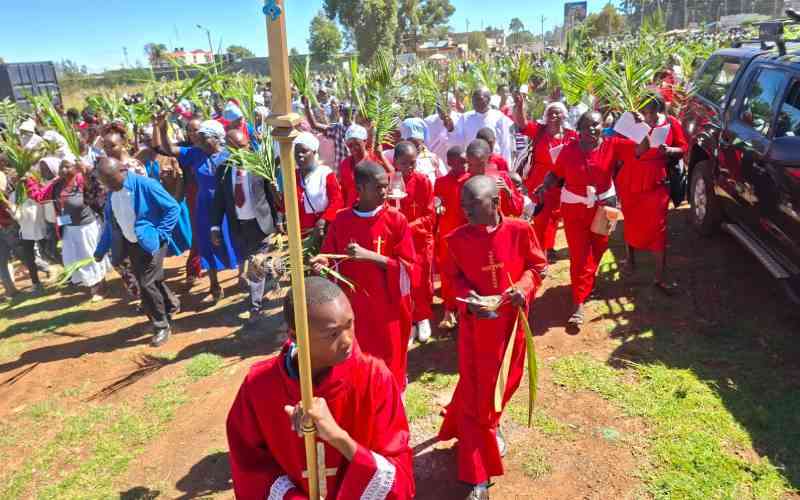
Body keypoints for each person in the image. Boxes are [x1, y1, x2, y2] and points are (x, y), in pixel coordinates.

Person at [226, 276, 415, 499]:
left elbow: (400, 478)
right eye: (333, 334)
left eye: (350, 324)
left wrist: (338, 437)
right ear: (296, 337)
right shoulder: (259, 386)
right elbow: (249, 468)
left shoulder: (375, 377)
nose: (347, 340)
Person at [437, 175, 546, 499]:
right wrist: (468, 299)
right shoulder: (456, 240)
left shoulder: (520, 230)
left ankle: (491, 424)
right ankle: (478, 475)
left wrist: (522, 289)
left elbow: (538, 267)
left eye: (474, 204)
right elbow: (452, 280)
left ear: (496, 203)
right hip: (476, 331)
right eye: (464, 206)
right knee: (479, 402)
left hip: (512, 329)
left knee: (504, 386)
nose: (467, 211)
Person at [312, 161, 416, 391]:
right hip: (353, 306)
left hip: (386, 308)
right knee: (358, 361)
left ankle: (393, 403)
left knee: (388, 360)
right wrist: (323, 264)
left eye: (386, 186)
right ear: (359, 188)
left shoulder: (396, 220)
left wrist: (371, 256)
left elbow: (408, 267)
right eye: (378, 187)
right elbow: (330, 255)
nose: (385, 192)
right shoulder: (341, 220)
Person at [538, 111, 634, 326]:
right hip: (574, 207)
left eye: (596, 124)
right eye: (587, 125)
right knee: (580, 254)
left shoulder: (613, 145)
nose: (592, 129)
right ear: (578, 129)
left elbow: (642, 148)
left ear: (603, 126)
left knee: (599, 247)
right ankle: (578, 302)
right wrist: (545, 185)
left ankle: (586, 282)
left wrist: (637, 125)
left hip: (606, 205)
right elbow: (555, 173)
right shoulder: (569, 150)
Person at [94, 157, 181, 347]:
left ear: (122, 171)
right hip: (132, 243)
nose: (106, 185)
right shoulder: (112, 194)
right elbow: (111, 224)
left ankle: (161, 325)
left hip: (152, 241)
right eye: (103, 181)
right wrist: (101, 249)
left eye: (109, 180)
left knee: (146, 283)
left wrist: (161, 233)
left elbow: (173, 208)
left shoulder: (145, 185)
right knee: (152, 279)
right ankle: (171, 304)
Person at [154, 116, 239, 304]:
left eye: (203, 137)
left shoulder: (230, 155)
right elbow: (168, 149)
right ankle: (214, 285)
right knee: (207, 244)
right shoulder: (195, 153)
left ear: (216, 138)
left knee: (234, 238)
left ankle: (243, 275)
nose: (198, 140)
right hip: (204, 207)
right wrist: (162, 129)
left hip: (227, 206)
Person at [616, 96, 687, 294]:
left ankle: (660, 276)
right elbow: (617, 147)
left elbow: (683, 147)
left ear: (660, 108)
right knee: (630, 220)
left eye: (654, 112)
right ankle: (630, 260)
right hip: (630, 179)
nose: (651, 117)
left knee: (659, 228)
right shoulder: (630, 121)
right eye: (646, 113)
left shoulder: (671, 122)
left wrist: (670, 150)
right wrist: (637, 136)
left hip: (657, 180)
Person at [210, 129, 278, 324]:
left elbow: (271, 195)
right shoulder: (223, 169)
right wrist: (215, 227)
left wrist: (279, 220)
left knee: (255, 263)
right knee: (251, 259)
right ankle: (271, 274)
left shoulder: (259, 164)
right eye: (235, 148)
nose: (241, 152)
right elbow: (219, 200)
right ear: (228, 149)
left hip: (260, 223)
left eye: (244, 147)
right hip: (238, 225)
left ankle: (255, 307)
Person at [27, 158, 109, 301]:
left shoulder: (82, 179)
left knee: (91, 255)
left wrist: (86, 172)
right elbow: (39, 196)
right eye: (61, 167)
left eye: (67, 166)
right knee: (76, 257)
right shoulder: (56, 184)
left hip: (86, 226)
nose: (63, 170)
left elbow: (98, 190)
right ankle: (90, 283)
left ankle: (100, 287)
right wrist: (28, 181)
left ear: (76, 167)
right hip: (68, 227)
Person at [513, 96, 578, 261]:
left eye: (558, 114)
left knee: (555, 216)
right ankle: (540, 250)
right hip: (539, 182)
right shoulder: (539, 131)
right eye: (551, 114)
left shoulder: (571, 135)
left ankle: (549, 247)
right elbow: (522, 124)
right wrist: (520, 105)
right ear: (546, 117)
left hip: (561, 183)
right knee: (541, 217)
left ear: (564, 116)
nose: (555, 117)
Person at [393, 141, 435, 344]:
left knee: (421, 281)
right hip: (399, 242)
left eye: (413, 163)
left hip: (420, 240)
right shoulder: (391, 182)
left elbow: (429, 215)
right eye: (404, 163)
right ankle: (409, 322)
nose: (409, 168)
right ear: (395, 162)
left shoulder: (423, 181)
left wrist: (408, 227)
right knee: (404, 282)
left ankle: (423, 318)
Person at [136, 125, 192, 257]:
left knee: (183, 231)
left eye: (152, 139)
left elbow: (180, 178)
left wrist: (176, 199)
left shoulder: (169, 155)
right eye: (147, 140)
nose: (150, 142)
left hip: (173, 198)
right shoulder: (142, 155)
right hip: (156, 202)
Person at [434, 145, 471, 330]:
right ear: (449, 162)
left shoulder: (472, 179)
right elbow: (437, 203)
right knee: (448, 274)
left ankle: (466, 308)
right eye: (461, 161)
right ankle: (449, 310)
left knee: (468, 272)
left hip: (469, 235)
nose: (465, 165)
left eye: (466, 161)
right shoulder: (440, 183)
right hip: (448, 236)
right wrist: (438, 207)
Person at [442, 87, 515, 165]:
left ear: (488, 100)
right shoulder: (465, 117)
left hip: (493, 163)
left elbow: (505, 144)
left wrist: (506, 166)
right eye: (473, 99)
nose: (475, 102)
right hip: (472, 163)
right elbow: (458, 141)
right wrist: (451, 129)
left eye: (479, 99)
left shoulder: (499, 117)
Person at [292, 132, 343, 237]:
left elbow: (337, 201)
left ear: (314, 152)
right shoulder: (293, 176)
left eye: (304, 151)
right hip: (300, 234)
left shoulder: (325, 173)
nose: (299, 155)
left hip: (322, 232)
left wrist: (324, 220)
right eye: (296, 152)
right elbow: (287, 204)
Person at [465, 140, 523, 218]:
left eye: (479, 165)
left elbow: (518, 211)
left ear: (488, 160)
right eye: (470, 164)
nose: (475, 169)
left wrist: (508, 192)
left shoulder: (501, 179)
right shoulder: (463, 182)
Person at [337, 124, 385, 207]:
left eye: (357, 144)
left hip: (373, 208)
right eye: (350, 145)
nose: (353, 148)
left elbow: (391, 178)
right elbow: (343, 191)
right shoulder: (345, 164)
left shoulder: (375, 160)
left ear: (365, 141)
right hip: (352, 211)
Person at [398, 117, 447, 184]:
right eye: (410, 144)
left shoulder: (433, 159)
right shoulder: (393, 157)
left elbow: (443, 183)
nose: (413, 149)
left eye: (417, 145)